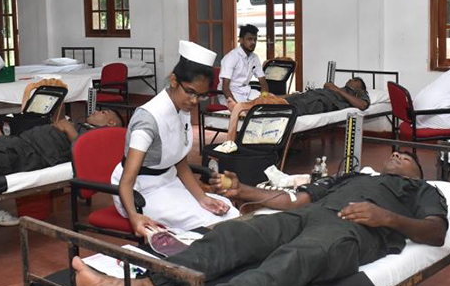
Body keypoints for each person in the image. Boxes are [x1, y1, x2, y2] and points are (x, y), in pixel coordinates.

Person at [71, 150, 447, 286]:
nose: (396, 155)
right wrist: (242, 190)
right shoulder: (350, 177)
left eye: (406, 156)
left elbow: (436, 231)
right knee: (238, 233)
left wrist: (387, 218)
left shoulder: (422, 190)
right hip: (307, 215)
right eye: (394, 153)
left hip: (352, 231)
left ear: (417, 171)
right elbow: (292, 200)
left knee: (299, 258)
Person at [114, 40, 241, 236]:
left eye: (201, 96)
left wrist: (202, 198)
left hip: (167, 182)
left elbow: (179, 162)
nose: (194, 101)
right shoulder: (148, 120)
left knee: (228, 211)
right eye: (190, 92)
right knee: (209, 224)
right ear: (173, 80)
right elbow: (126, 181)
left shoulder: (181, 108)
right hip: (141, 192)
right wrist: (134, 216)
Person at [215, 77, 371, 150]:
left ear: (360, 88)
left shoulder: (359, 95)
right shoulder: (339, 88)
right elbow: (323, 86)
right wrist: (332, 87)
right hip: (309, 95)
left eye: (355, 79)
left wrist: (336, 89)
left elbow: (362, 106)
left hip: (317, 104)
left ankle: (244, 109)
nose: (351, 78)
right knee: (272, 97)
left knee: (284, 105)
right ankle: (246, 108)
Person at [217, 24, 268, 104]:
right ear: (240, 40)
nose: (253, 42)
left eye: (255, 40)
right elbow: (225, 88)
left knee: (270, 102)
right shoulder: (231, 57)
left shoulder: (255, 58)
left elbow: (263, 82)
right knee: (249, 110)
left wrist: (264, 97)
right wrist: (236, 106)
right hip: (230, 93)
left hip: (246, 91)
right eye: (249, 39)